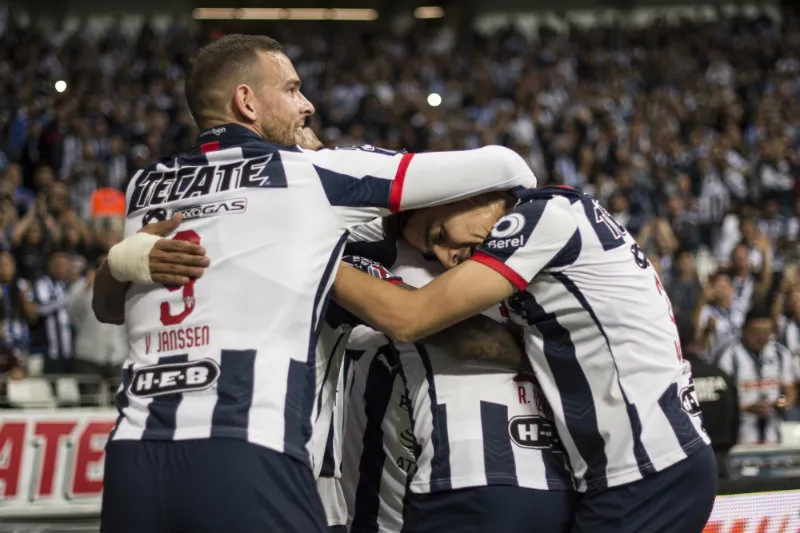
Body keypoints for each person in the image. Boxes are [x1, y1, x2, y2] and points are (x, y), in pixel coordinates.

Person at [93, 34, 538, 533]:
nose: (306, 106)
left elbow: (108, 308)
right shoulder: (316, 175)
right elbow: (509, 166)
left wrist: (115, 264)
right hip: (248, 448)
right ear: (247, 102)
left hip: (133, 453)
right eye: (292, 89)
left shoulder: (146, 186)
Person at [331, 186, 717, 533]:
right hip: (644, 468)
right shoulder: (555, 233)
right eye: (434, 253)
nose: (448, 258)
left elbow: (412, 317)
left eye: (440, 235)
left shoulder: (543, 217)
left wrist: (317, 262)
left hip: (647, 470)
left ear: (467, 193)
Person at [340, 242, 575, 533]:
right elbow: (432, 325)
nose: (446, 252)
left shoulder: (538, 271)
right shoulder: (390, 266)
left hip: (538, 484)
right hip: (411, 496)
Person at [716, 306, 796, 444]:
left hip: (774, 434)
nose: (762, 337)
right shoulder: (729, 356)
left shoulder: (781, 354)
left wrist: (782, 403)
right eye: (756, 332)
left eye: (767, 332)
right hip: (740, 436)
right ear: (744, 330)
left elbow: (790, 390)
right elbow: (721, 399)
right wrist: (747, 408)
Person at [676, 316, 739, 479]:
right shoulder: (720, 374)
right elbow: (735, 419)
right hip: (720, 462)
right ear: (695, 339)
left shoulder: (672, 381)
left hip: (684, 465)